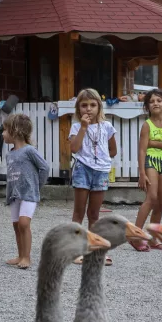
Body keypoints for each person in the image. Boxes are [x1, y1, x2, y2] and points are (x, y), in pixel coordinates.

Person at [69, 88, 118, 265]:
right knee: (79, 211)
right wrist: (83, 128)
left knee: (94, 214)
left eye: (92, 105)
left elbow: (113, 150)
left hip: (101, 171)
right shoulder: (76, 126)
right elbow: (74, 149)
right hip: (83, 169)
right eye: (84, 105)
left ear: (99, 106)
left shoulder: (107, 127)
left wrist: (101, 159)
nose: (88, 109)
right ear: (78, 108)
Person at [132, 89, 162, 251]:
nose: (156, 104)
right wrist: (142, 173)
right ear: (147, 107)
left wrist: (153, 143)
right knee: (151, 197)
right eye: (152, 102)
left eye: (159, 101)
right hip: (151, 161)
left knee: (161, 201)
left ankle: (153, 238)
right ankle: (135, 235)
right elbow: (142, 150)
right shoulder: (147, 125)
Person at [2, 113, 49, 270]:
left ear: (15, 131)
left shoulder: (30, 151)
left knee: (23, 223)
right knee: (16, 225)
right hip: (14, 195)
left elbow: (44, 167)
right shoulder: (10, 154)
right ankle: (20, 255)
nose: (2, 134)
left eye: (5, 130)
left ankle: (27, 258)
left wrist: (37, 185)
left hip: (29, 194)